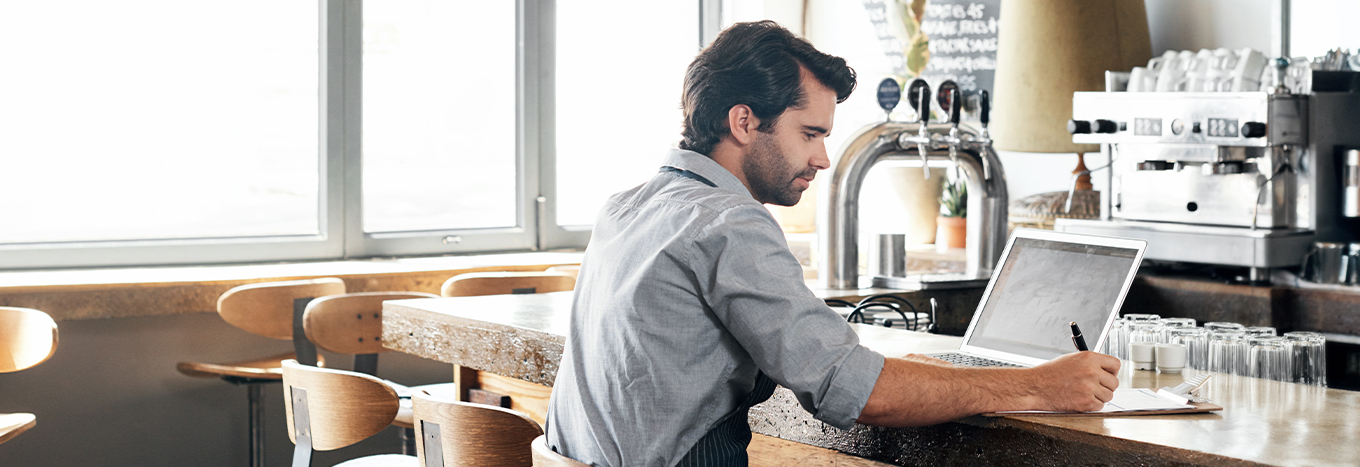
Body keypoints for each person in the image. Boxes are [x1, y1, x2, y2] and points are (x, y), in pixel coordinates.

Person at [544, 20, 1120, 467]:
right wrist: (1041, 383)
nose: (821, 157)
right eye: (810, 133)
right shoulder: (729, 224)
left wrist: (906, 372)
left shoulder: (627, 205)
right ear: (744, 122)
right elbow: (858, 394)